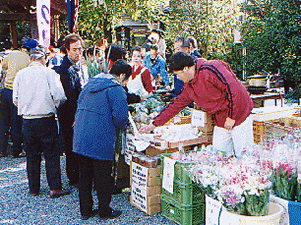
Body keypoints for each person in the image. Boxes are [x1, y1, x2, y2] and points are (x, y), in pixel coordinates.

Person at [140, 52, 254, 157]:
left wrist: (232, 116)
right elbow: (175, 106)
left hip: (239, 113)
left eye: (177, 74)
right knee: (219, 155)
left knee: (244, 156)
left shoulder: (211, 68)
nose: (177, 78)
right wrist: (154, 124)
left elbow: (234, 89)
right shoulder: (189, 87)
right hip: (220, 119)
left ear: (185, 69)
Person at [73, 60, 129, 220]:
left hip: (81, 135)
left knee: (84, 176)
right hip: (100, 136)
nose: (125, 84)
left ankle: (86, 211)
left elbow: (79, 104)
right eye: (126, 81)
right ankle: (105, 210)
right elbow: (120, 118)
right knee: (103, 175)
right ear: (122, 76)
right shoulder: (116, 88)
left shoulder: (89, 84)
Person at [13, 47, 70, 198]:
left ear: (30, 59)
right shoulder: (49, 73)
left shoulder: (20, 74)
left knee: (31, 155)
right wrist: (53, 105)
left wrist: (25, 107)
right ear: (43, 59)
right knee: (51, 153)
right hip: (46, 117)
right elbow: (60, 95)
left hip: (28, 119)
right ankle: (55, 188)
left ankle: (34, 188)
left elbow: (15, 99)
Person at [54, 34, 86, 188]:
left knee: (74, 145)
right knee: (71, 145)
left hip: (74, 112)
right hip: (69, 114)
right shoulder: (65, 70)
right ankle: (74, 177)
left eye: (80, 48)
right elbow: (70, 97)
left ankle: (75, 175)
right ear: (67, 50)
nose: (78, 52)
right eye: (74, 49)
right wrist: (75, 117)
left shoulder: (74, 66)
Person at [0, 38, 36, 158]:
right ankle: (17, 150)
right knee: (16, 122)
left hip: (6, 91)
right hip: (18, 93)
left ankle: (2, 150)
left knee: (4, 121)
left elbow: (4, 66)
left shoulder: (12, 54)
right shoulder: (29, 60)